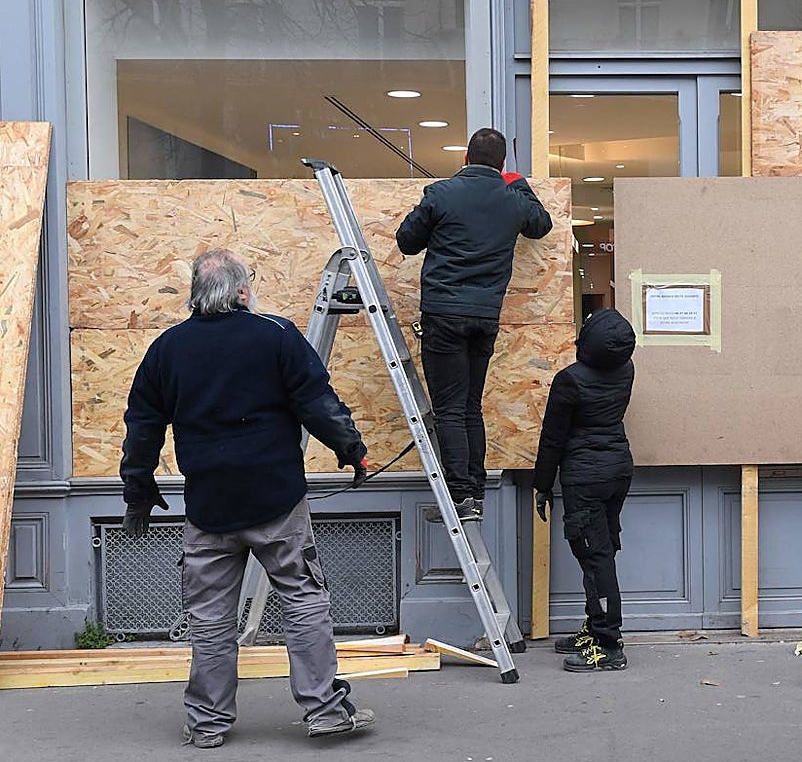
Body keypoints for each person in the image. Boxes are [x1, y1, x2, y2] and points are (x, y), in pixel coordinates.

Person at [120, 249, 374, 748]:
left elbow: (142, 427)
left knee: (210, 619)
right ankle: (324, 710)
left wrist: (139, 493)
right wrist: (353, 451)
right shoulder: (275, 335)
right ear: (241, 291)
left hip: (209, 506)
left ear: (196, 294)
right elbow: (317, 401)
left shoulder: (167, 349)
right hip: (276, 500)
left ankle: (207, 723)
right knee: (303, 601)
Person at [395, 127, 553, 521]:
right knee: (469, 407)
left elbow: (406, 241)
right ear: (502, 164)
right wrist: (518, 184)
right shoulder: (512, 198)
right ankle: (475, 494)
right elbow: (541, 225)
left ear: (465, 158)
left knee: (449, 408)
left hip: (444, 313)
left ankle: (460, 495)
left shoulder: (442, 193)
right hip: (485, 317)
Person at [532, 309, 637, 672]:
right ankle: (595, 628)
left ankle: (608, 645)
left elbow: (553, 438)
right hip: (618, 470)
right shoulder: (626, 369)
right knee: (602, 552)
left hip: (586, 478)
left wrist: (542, 485)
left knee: (596, 558)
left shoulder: (570, 380)